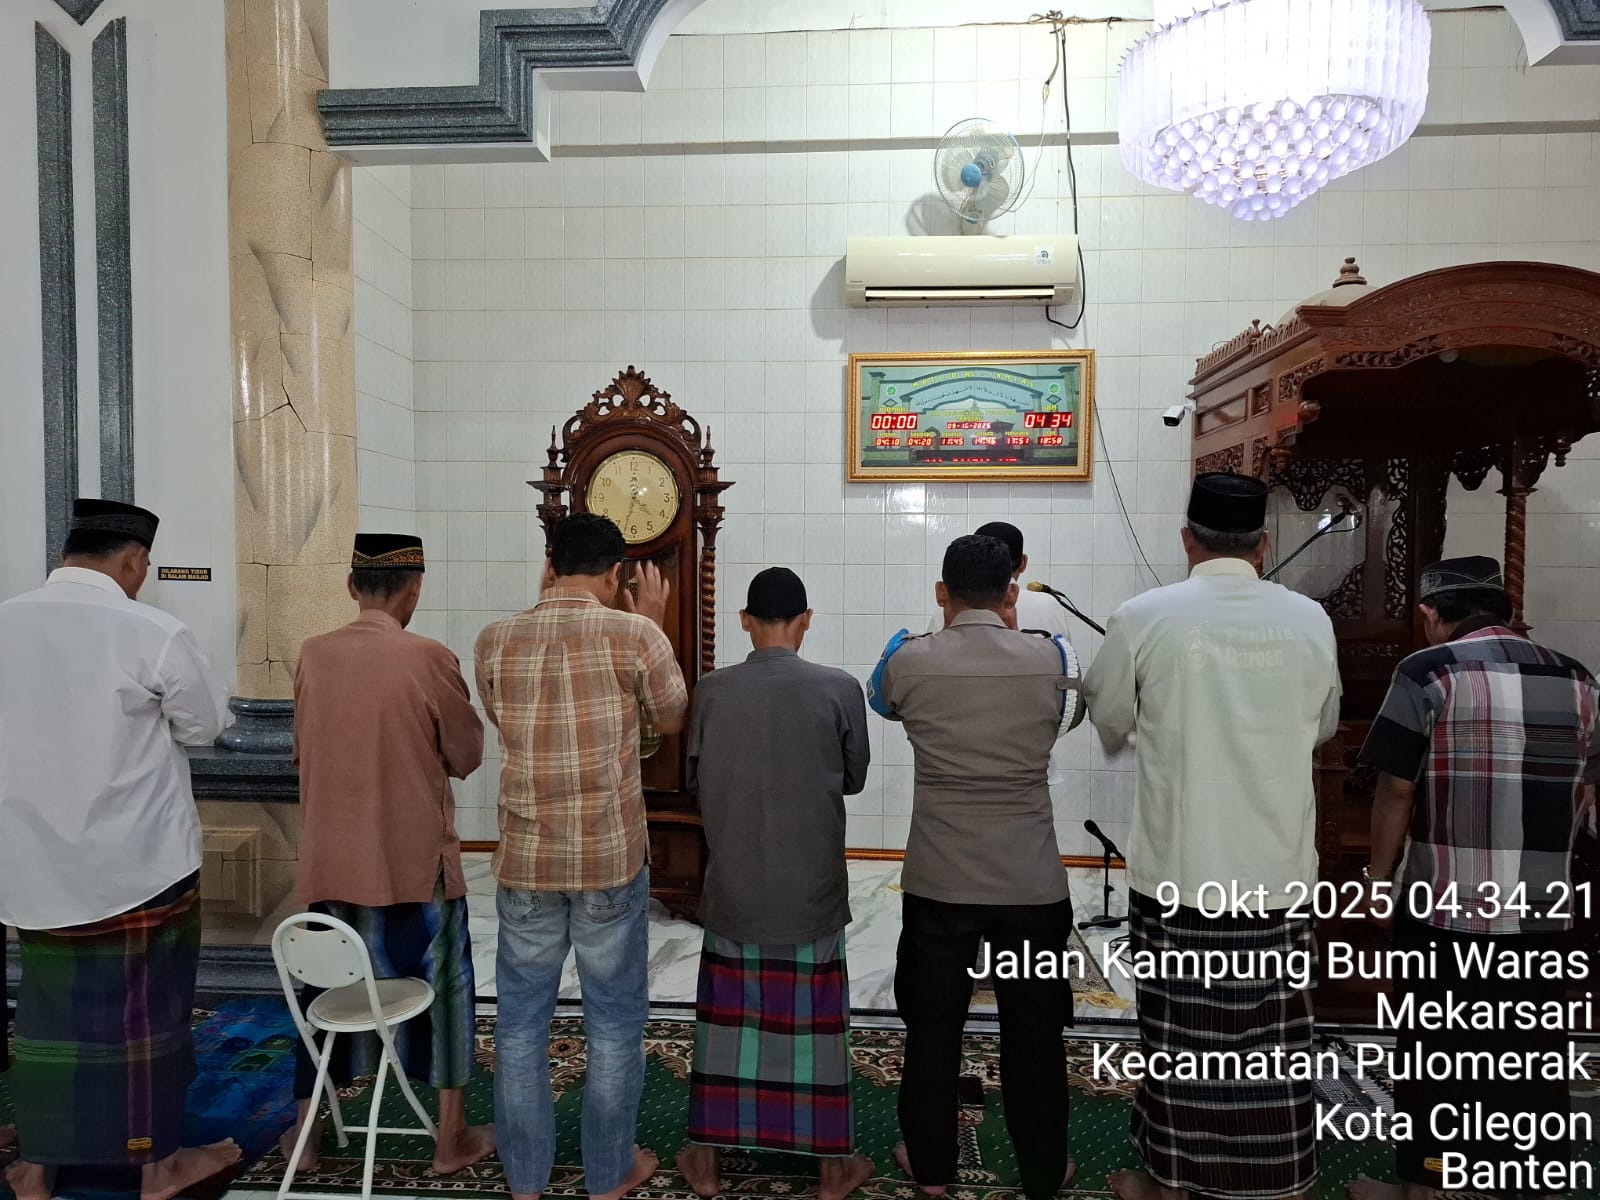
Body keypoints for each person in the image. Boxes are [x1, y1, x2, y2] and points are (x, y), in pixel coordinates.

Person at [1082, 472, 1342, 1200]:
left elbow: (1108, 714)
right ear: (1263, 544)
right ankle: (1279, 1178)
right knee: (1273, 1043)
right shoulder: (1309, 620)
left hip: (1181, 868)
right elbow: (1323, 726)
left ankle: (1172, 1182)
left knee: (1178, 1036)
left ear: (1187, 539)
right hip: (1276, 871)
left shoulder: (1144, 616)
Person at [0, 499, 239, 1200]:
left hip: (30, 864)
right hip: (137, 864)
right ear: (134, 560)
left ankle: (37, 1167)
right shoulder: (150, 631)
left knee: (47, 1015)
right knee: (143, 1019)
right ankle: (157, 1169)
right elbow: (204, 725)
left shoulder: (5, 622)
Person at [1347, 557, 1600, 1200]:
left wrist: (1377, 878)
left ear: (1431, 613)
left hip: (1445, 906)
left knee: (1438, 1049)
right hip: (1542, 908)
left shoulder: (1426, 671)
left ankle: (1429, 1186)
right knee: (1529, 1049)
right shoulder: (1577, 677)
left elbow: (1396, 789)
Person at [475, 513, 689, 1200]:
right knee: (614, 1025)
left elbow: (502, 718)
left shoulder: (495, 639)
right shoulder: (635, 634)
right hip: (608, 859)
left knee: (519, 1026)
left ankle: (525, 1180)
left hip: (526, 860)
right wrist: (652, 622)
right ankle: (607, 1172)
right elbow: (673, 716)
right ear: (617, 573)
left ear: (549, 566)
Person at [868, 534, 1085, 1200]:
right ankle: (1044, 1173)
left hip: (940, 886)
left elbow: (881, 700)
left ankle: (932, 1170)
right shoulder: (1055, 657)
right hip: (1031, 886)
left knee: (933, 1031)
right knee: (1035, 1034)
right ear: (1012, 591)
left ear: (942, 592)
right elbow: (1073, 714)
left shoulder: (907, 659)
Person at [278, 534, 491, 1175]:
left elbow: (300, 750)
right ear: (415, 587)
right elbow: (466, 756)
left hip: (329, 869)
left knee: (323, 992)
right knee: (446, 994)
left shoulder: (313, 655)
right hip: (414, 869)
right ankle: (449, 1140)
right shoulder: (429, 657)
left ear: (351, 586)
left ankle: (306, 1138)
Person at [677, 568, 874, 1200]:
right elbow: (854, 779)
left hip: (733, 889)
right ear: (806, 620)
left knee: (726, 1026)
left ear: (744, 620)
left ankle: (707, 1161)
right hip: (811, 893)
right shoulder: (839, 689)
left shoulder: (710, 692)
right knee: (816, 1028)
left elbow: (694, 777)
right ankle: (832, 1169)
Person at [926, 521, 1077, 786]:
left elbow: (930, 677)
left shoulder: (951, 608)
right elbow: (1065, 682)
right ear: (1023, 563)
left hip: (960, 759)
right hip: (1031, 759)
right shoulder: (1050, 606)